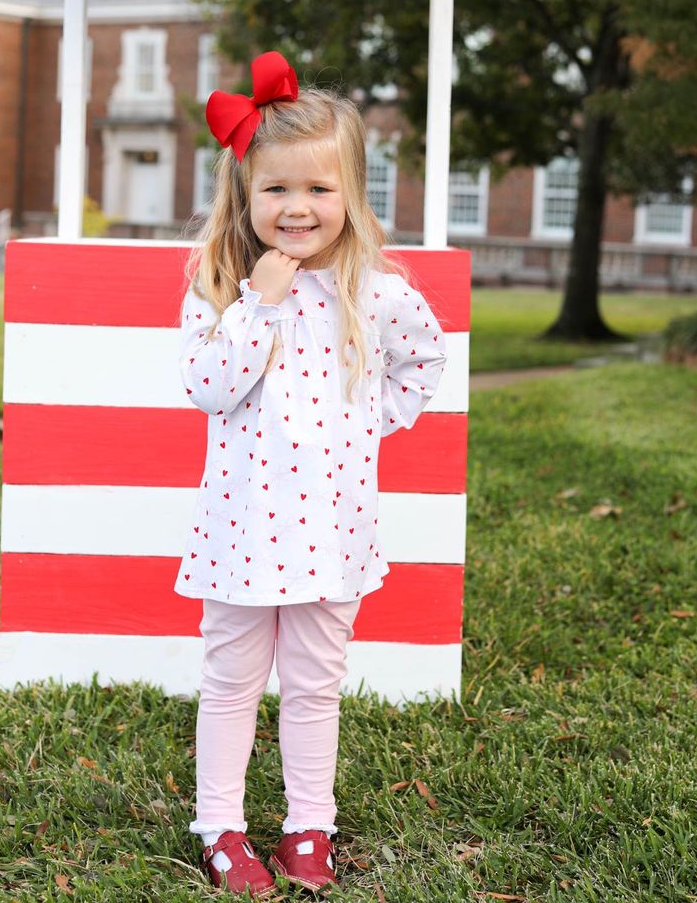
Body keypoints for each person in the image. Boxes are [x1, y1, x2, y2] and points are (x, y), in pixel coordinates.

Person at [175, 50, 447, 895]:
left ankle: (309, 826)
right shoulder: (220, 287)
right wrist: (258, 302)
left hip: (335, 530)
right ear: (245, 195)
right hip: (243, 533)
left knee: (315, 685)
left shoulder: (378, 291)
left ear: (350, 195)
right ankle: (220, 826)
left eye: (318, 190)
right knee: (231, 682)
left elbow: (423, 364)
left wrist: (371, 424)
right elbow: (209, 389)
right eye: (277, 190)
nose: (297, 208)